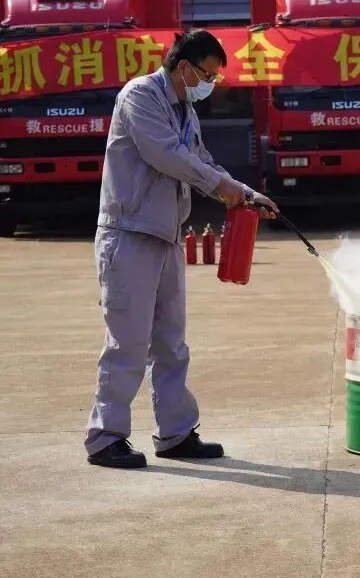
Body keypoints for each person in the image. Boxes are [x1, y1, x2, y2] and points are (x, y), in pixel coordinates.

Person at [85, 29, 279, 469]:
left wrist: (247, 194)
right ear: (184, 66)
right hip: (129, 234)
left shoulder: (186, 110)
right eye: (207, 75)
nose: (209, 84)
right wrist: (224, 188)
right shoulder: (140, 96)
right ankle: (105, 437)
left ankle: (175, 433)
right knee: (127, 342)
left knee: (171, 344)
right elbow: (167, 155)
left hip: (166, 234)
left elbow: (203, 162)